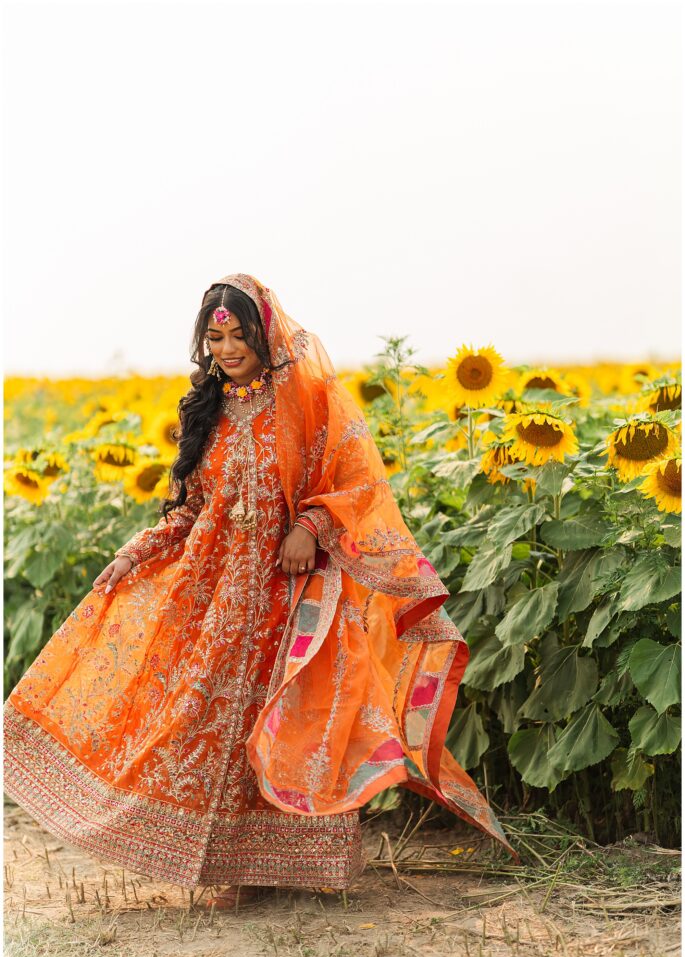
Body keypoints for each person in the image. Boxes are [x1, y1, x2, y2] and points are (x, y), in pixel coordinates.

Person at [3, 273, 518, 910]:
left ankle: (298, 866)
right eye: (214, 336)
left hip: (292, 599)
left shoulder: (305, 402)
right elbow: (190, 512)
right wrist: (135, 552)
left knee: (292, 721)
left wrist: (311, 523)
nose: (226, 347)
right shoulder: (206, 411)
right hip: (215, 598)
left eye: (238, 333)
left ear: (263, 333)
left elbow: (359, 484)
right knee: (205, 718)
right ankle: (234, 866)